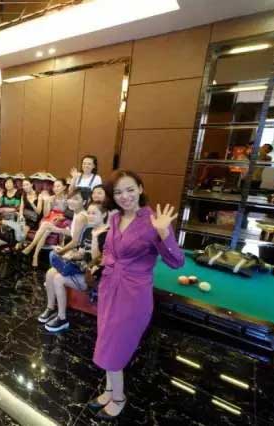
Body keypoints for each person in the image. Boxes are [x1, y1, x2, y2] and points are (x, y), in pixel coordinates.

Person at [89, 170, 184, 420]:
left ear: (140, 188)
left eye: (130, 189)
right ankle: (109, 390)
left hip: (133, 296)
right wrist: (103, 265)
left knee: (114, 348)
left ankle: (119, 398)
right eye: (118, 192)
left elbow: (177, 262)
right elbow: (110, 251)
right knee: (106, 340)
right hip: (109, 289)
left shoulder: (154, 221)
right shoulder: (115, 218)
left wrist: (164, 233)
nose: (125, 196)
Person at [38, 202, 109, 332]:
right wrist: (70, 255)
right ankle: (50, 308)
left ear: (104, 215)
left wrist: (95, 239)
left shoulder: (108, 234)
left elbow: (97, 261)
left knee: (58, 278)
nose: (90, 216)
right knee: (50, 273)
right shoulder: (88, 230)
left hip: (93, 275)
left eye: (94, 213)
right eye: (89, 213)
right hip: (80, 267)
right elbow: (81, 252)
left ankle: (62, 318)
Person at [22, 180, 85, 267]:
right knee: (46, 227)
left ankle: (33, 250)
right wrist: (47, 202)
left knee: (46, 227)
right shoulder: (51, 198)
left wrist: (61, 217)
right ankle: (35, 255)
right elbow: (46, 215)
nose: (55, 188)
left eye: (58, 186)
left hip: (63, 219)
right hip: (51, 218)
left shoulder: (69, 198)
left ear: (64, 187)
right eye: (54, 186)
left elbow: (69, 213)